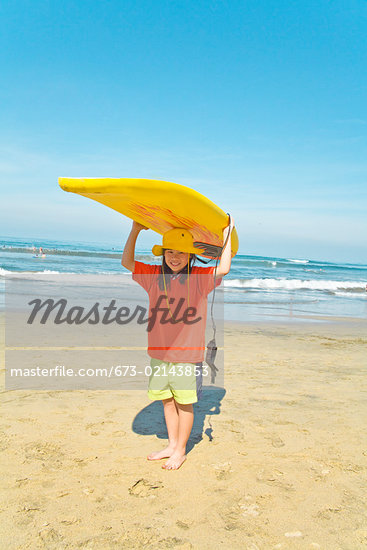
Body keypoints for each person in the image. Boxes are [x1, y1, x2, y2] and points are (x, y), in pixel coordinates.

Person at [121, 219, 234, 470]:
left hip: (187, 354)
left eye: (181, 252)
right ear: (163, 253)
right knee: (167, 400)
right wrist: (135, 230)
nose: (175, 257)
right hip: (160, 353)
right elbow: (127, 262)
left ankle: (180, 451)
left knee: (184, 402)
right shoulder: (153, 276)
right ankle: (172, 445)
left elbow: (223, 268)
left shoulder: (199, 278)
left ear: (190, 256)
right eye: (170, 251)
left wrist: (226, 232)